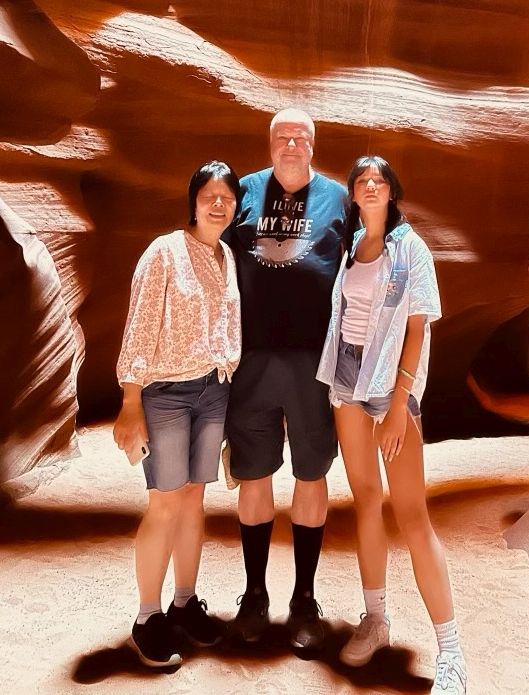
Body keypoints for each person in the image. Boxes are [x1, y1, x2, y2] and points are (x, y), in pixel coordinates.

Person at [316, 156, 467, 694]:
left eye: (379, 180)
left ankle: (450, 651)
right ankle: (376, 619)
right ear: (354, 195)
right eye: (362, 181)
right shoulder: (352, 246)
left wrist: (401, 402)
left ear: (392, 191)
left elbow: (418, 325)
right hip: (346, 378)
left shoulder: (411, 247)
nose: (370, 186)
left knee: (412, 513)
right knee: (365, 497)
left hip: (388, 385)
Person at [223, 108, 346, 649]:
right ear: (269, 143)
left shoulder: (341, 197)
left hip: (312, 365)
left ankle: (303, 598)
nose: (292, 144)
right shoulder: (241, 190)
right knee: (254, 474)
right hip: (252, 361)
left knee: (311, 474)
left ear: (313, 146)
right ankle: (254, 596)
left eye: (301, 137)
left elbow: (376, 248)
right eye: (282, 137)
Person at [113, 161, 241, 668]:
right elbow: (140, 325)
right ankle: (147, 617)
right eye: (208, 195)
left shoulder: (227, 256)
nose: (217, 204)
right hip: (166, 393)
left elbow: (230, 325)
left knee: (193, 501)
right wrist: (130, 401)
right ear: (193, 202)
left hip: (213, 390)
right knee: (164, 503)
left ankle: (184, 603)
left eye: (226, 197)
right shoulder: (164, 252)